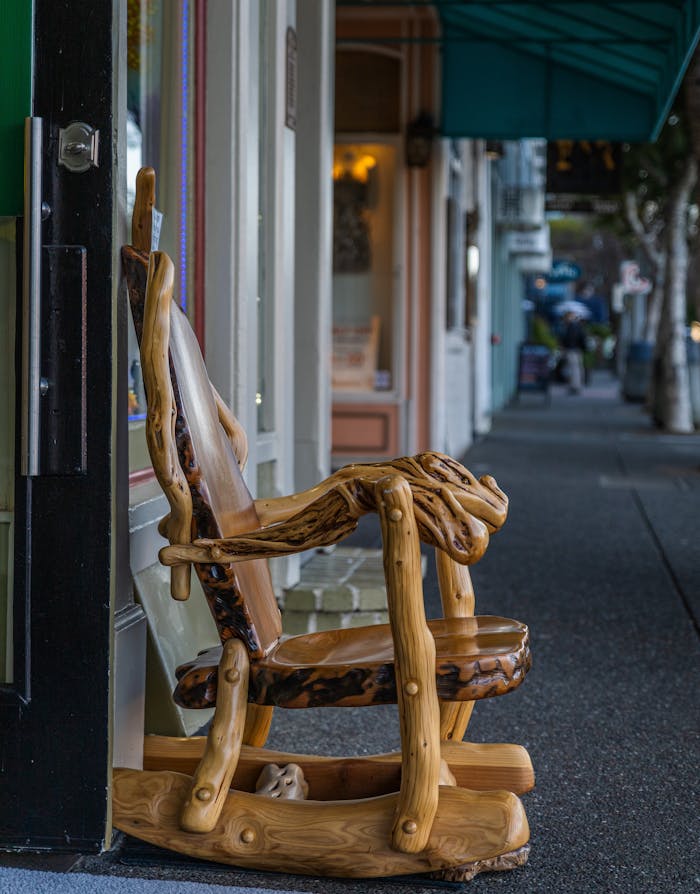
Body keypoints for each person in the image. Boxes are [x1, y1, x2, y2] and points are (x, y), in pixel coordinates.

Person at [559, 311, 586, 394]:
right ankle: (576, 386)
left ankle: (575, 386)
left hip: (572, 349)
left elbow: (570, 339)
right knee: (576, 368)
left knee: (574, 369)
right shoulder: (576, 326)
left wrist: (565, 346)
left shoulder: (572, 326)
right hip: (576, 349)